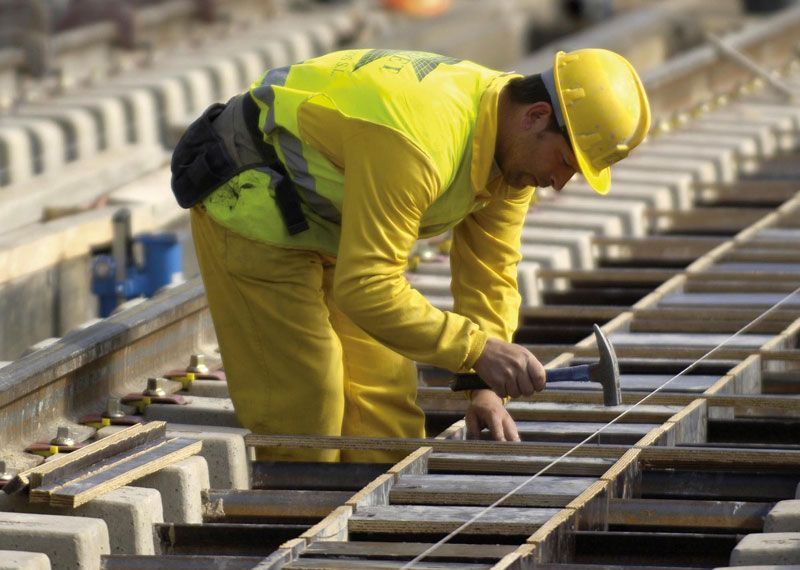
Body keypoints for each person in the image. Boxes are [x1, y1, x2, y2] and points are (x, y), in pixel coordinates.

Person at [171, 47, 651, 463]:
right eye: (566, 162)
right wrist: (477, 350)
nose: (560, 182)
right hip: (255, 205)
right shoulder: (419, 140)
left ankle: (363, 547)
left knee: (387, 407)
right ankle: (295, 533)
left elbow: (490, 273)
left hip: (337, 219)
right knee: (308, 407)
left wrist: (481, 384)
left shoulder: (510, 152)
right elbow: (367, 287)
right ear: (536, 116)